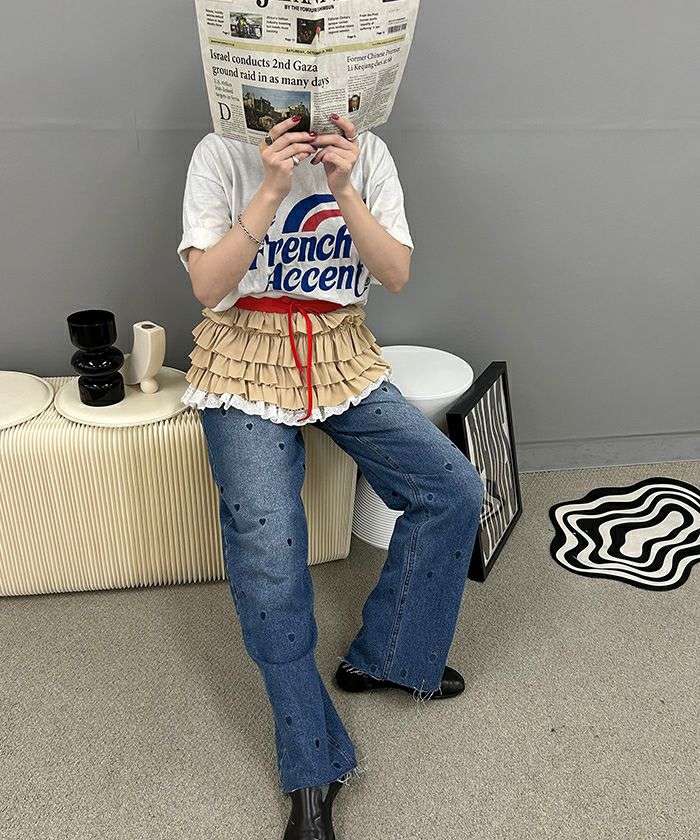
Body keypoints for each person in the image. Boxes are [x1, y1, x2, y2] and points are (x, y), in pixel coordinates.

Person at [177, 111, 485, 839]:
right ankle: (312, 764)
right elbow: (207, 286)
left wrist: (343, 187)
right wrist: (271, 187)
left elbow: (396, 274)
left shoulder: (367, 152)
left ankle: (388, 656)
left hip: (339, 348)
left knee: (451, 489)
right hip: (242, 358)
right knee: (269, 551)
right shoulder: (218, 152)